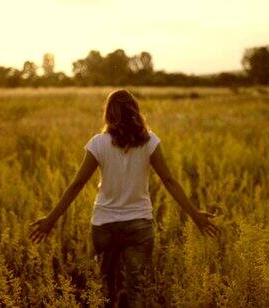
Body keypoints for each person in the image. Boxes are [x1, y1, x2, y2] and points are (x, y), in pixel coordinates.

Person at [30, 89, 219, 307]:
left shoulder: (98, 143)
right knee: (136, 289)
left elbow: (77, 184)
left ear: (108, 114)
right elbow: (169, 180)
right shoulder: (150, 142)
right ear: (135, 111)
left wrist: (50, 220)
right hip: (139, 226)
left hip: (104, 225)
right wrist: (195, 215)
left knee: (105, 288)